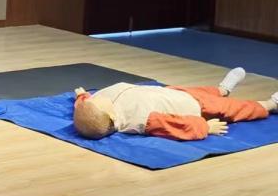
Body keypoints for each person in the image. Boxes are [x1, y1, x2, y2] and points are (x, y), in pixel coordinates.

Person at [72, 67, 278, 141]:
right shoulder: (143, 120)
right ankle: (269, 104)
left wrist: (82, 96)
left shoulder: (95, 103)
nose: (95, 97)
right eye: (95, 101)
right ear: (111, 116)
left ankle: (223, 89)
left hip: (171, 93)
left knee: (204, 91)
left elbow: (84, 106)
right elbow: (177, 126)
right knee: (232, 108)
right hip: (196, 108)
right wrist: (205, 127)